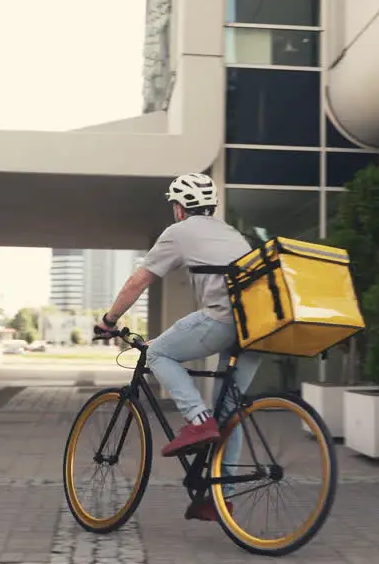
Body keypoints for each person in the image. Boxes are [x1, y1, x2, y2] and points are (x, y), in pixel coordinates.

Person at [94, 172, 261, 521]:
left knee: (156, 353)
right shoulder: (230, 233)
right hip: (257, 327)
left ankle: (198, 421)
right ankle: (220, 498)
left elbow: (140, 279)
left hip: (223, 321)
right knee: (229, 416)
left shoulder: (179, 232)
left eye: (175, 205)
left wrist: (109, 321)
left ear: (180, 207)